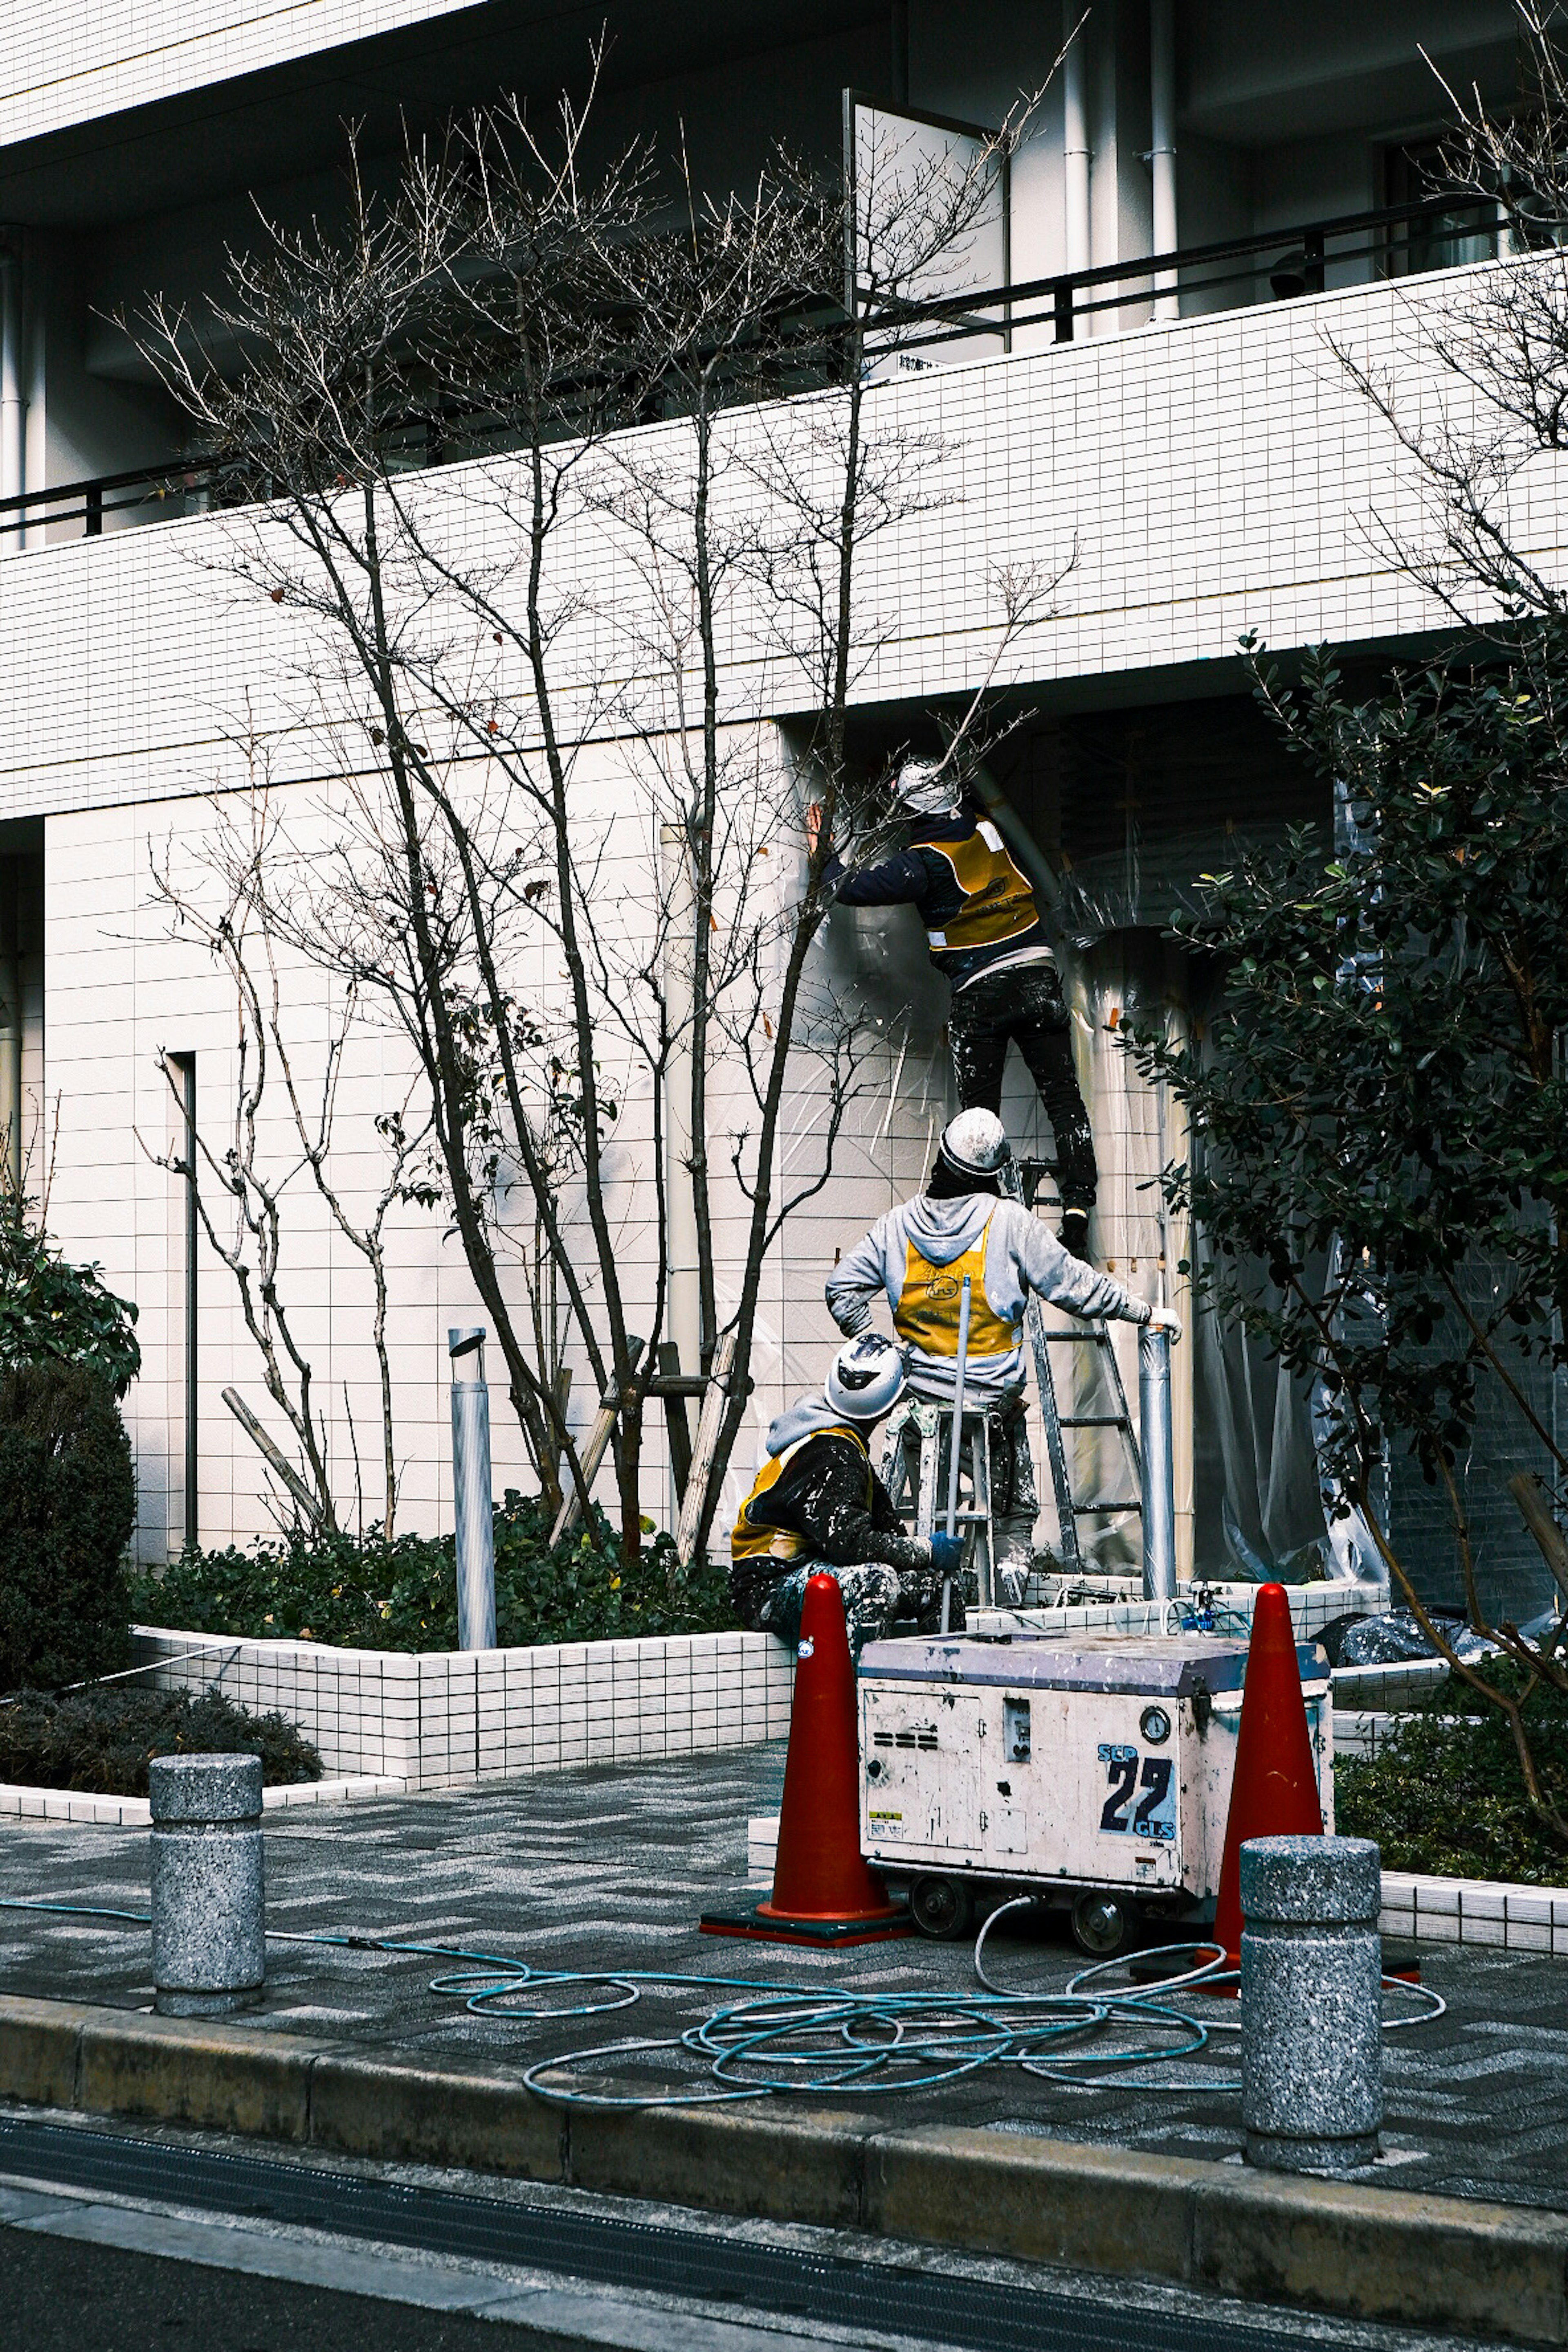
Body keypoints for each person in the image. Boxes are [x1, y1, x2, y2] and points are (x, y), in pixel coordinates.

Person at [826, 1109, 1180, 1601]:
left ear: (941, 1159)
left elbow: (841, 1289)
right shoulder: (1010, 1223)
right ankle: (1007, 1603)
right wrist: (1143, 1312)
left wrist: (884, 1356)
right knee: (1014, 1512)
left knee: (903, 1513)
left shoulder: (896, 1227)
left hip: (917, 1410)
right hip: (990, 1411)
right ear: (994, 1173)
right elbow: (1074, 1286)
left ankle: (920, 1589)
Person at [818, 754, 1098, 1259]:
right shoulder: (988, 829)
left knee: (977, 1118)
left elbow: (849, 889)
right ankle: (1078, 1209)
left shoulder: (922, 862)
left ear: (909, 811)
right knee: (1064, 1100)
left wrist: (823, 852)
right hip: (1037, 975)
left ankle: (983, 1218)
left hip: (981, 993)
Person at [729, 1332, 965, 1660]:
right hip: (767, 1586)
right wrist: (927, 1550)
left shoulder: (839, 1445)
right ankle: (864, 1699)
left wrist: (923, 1561)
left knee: (935, 1585)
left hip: (807, 1572)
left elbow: (883, 1534)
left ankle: (942, 1691)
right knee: (875, 1582)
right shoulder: (831, 1453)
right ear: (888, 1407)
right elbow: (851, 1545)